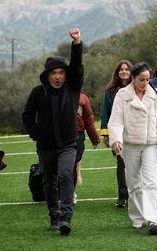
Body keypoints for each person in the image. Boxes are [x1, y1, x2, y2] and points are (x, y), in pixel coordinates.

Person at [22, 28, 83, 236]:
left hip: (68, 144)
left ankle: (66, 217)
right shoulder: (38, 93)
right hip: (45, 146)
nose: (58, 77)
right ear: (47, 75)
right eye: (54, 73)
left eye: (61, 73)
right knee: (49, 181)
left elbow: (77, 66)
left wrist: (76, 44)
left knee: (66, 175)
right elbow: (27, 115)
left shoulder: (72, 87)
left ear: (66, 75)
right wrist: (36, 133)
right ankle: (54, 215)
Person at [108, 62, 157, 235]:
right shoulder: (122, 95)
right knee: (134, 183)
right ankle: (137, 218)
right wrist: (116, 140)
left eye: (147, 79)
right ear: (133, 78)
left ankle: (153, 220)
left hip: (151, 144)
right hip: (130, 145)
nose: (145, 83)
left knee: (152, 181)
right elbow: (116, 120)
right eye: (141, 80)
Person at [100, 59, 133, 208]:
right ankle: (122, 196)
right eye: (121, 69)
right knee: (121, 163)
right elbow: (105, 113)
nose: (124, 71)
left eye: (127, 69)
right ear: (117, 73)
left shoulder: (137, 87)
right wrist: (106, 134)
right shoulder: (110, 91)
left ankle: (135, 195)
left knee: (135, 164)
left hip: (135, 131)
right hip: (117, 132)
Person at [74, 91, 100, 203]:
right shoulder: (54, 94)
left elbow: (88, 120)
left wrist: (95, 139)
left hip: (78, 135)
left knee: (72, 165)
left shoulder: (83, 97)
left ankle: (70, 192)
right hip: (59, 135)